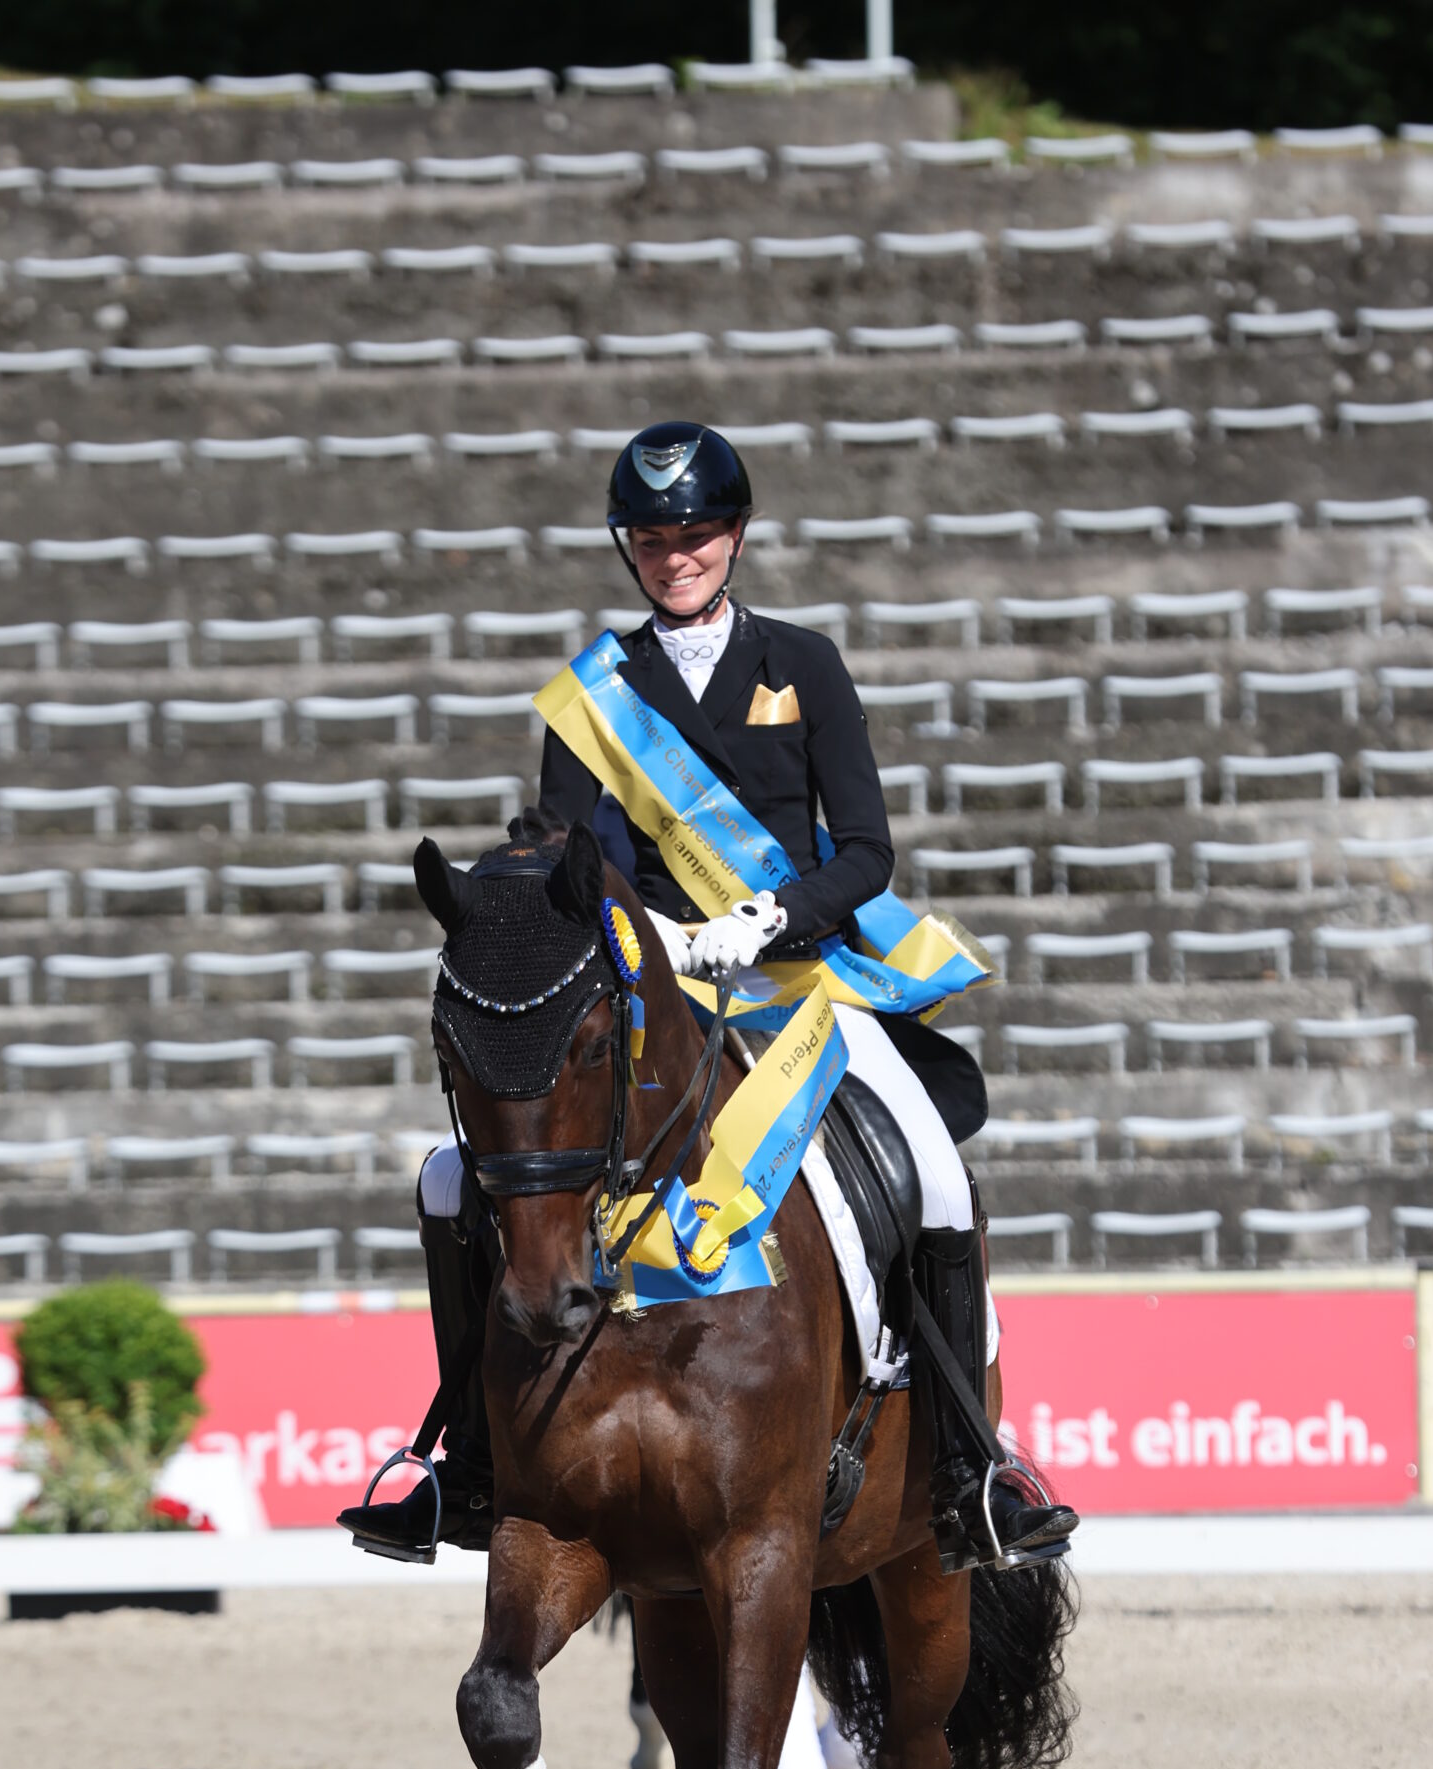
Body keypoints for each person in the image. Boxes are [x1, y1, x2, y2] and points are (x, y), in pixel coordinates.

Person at [343, 421, 1077, 1573]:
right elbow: (565, 857)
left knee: (932, 1166)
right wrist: (662, 941)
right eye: (651, 537)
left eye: (695, 532)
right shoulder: (594, 699)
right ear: (627, 548)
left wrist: (765, 920)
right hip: (653, 991)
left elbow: (867, 853)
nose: (674, 554)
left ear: (733, 536)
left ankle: (975, 1460)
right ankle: (462, 1460)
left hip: (802, 984)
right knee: (450, 1180)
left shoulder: (806, 664)